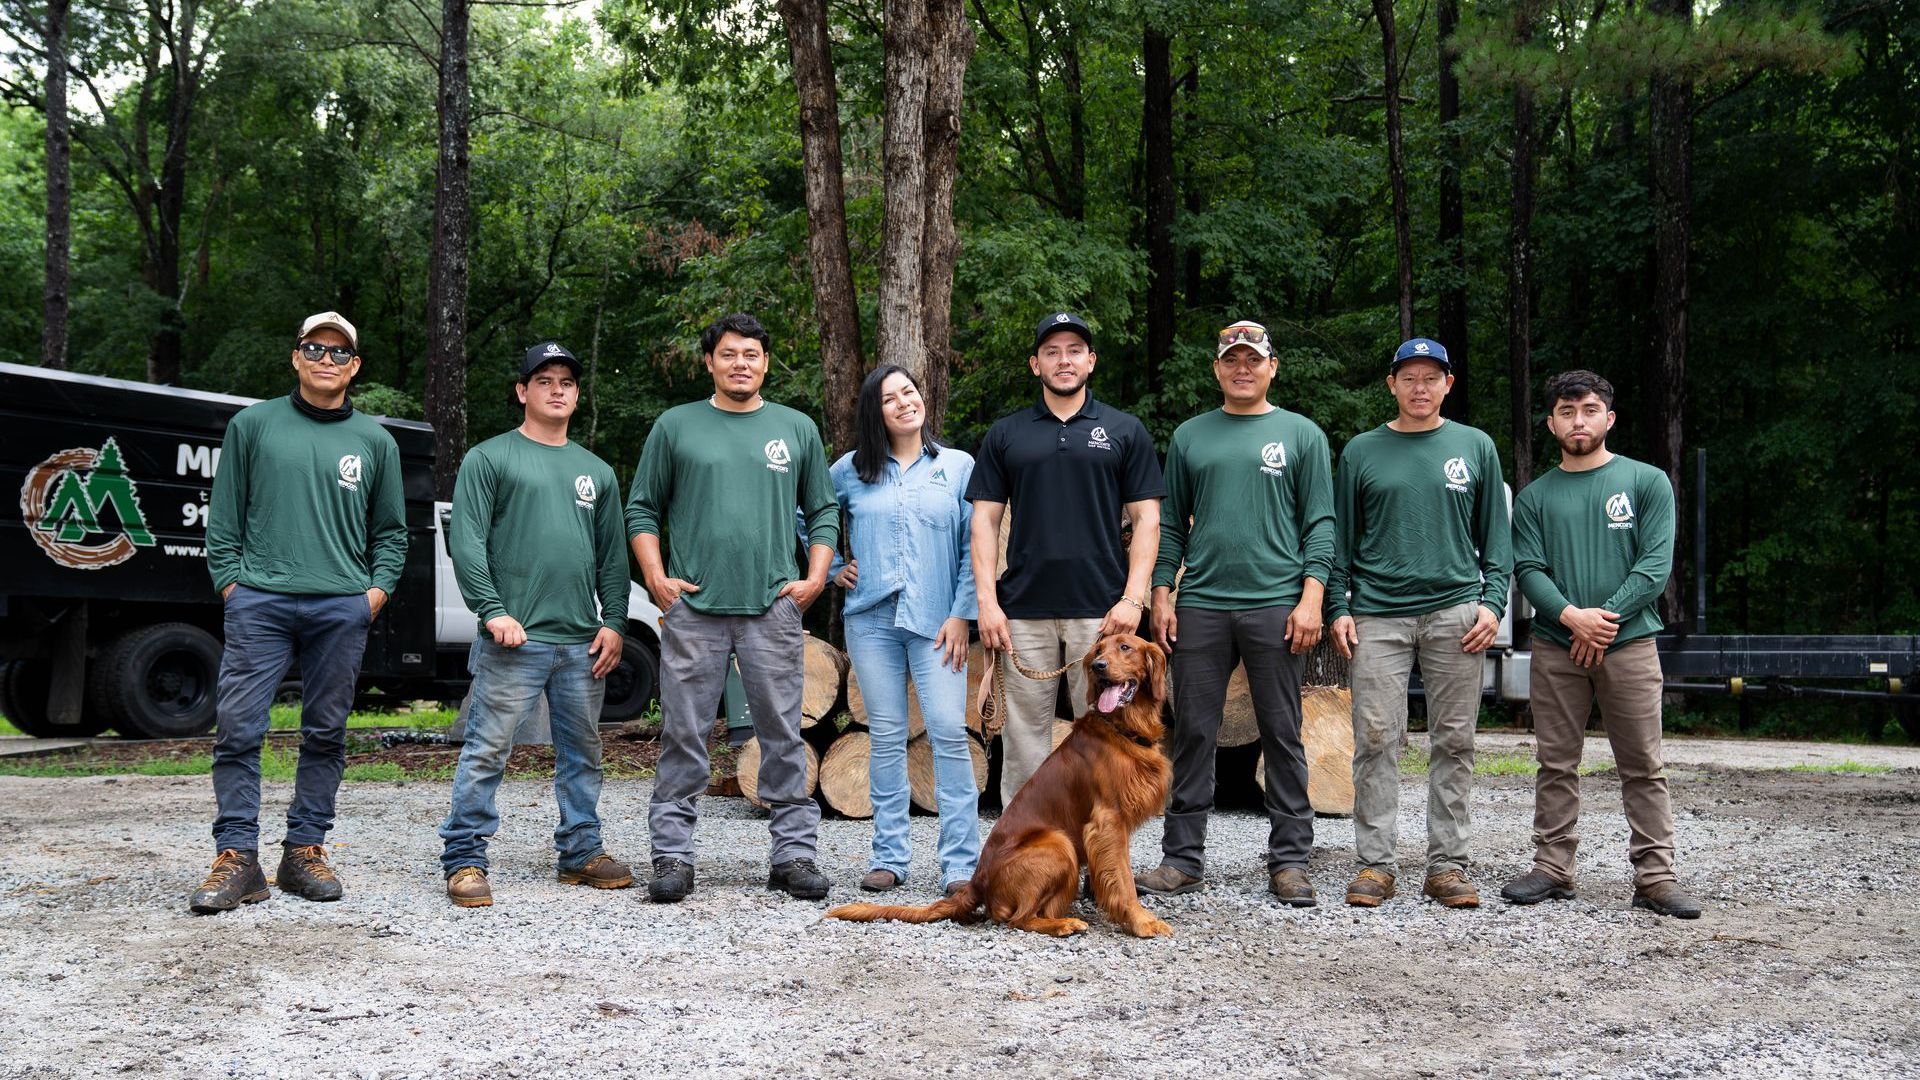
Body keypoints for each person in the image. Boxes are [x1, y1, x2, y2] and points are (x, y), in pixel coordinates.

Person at [191, 311, 406, 913]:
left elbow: (391, 532)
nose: (326, 360)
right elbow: (225, 517)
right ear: (296, 357)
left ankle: (303, 851)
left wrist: (374, 592)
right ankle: (238, 857)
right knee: (238, 727)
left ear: (354, 366)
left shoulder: (375, 441)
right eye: (315, 348)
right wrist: (232, 584)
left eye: (339, 353)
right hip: (259, 601)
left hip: (341, 605)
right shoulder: (253, 425)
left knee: (326, 731)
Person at [626, 313, 838, 902]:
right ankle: (672, 856)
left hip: (772, 606)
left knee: (781, 732)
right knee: (684, 731)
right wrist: (655, 577)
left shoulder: (795, 429)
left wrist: (815, 577)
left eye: (751, 353)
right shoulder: (676, 426)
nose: (740, 362)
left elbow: (822, 510)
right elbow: (641, 508)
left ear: (765, 362)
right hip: (694, 608)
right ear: (710, 362)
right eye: (728, 353)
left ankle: (793, 855)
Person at [1134, 321, 1335, 905]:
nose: (1242, 368)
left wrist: (1313, 595)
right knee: (1193, 730)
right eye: (1231, 360)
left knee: (1282, 730)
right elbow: (1171, 525)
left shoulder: (1301, 435)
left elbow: (1321, 522)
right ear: (1217, 369)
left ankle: (1290, 861)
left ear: (1273, 366)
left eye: (1253, 359)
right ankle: (1182, 859)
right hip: (1201, 603)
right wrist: (1163, 592)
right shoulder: (1193, 436)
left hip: (1276, 602)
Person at [438, 342, 632, 908]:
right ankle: (465, 858)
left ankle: (581, 851)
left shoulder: (595, 472)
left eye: (567, 382)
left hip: (580, 643)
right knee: (487, 750)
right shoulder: (490, 458)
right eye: (543, 380)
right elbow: (467, 540)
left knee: (583, 753)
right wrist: (491, 610)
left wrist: (615, 621)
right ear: (523, 391)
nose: (556, 390)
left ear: (576, 394)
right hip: (512, 640)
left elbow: (612, 557)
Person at [1501, 370, 1700, 918]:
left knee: (1642, 763)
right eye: (1567, 412)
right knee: (1555, 762)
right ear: (1551, 423)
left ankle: (1656, 877)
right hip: (1555, 646)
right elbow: (1529, 569)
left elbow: (1654, 566)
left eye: (1589, 410)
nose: (1578, 420)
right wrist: (1571, 618)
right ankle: (1552, 868)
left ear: (1608, 419)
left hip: (1629, 644)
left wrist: (1602, 622)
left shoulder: (1647, 482)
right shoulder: (1536, 495)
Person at [1328, 337, 1510, 910]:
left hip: (1457, 610)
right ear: (1392, 384)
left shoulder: (1475, 447)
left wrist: (1493, 603)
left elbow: (1496, 539)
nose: (1420, 387)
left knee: (1455, 741)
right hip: (1378, 612)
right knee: (1376, 739)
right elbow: (1341, 541)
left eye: (1432, 377)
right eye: (1409, 377)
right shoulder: (1362, 451)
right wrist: (1339, 605)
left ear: (1448, 384)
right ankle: (1375, 865)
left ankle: (1448, 866)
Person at [967, 311, 1164, 807]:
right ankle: (1023, 863)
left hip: (1101, 614)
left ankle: (1102, 861)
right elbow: (984, 523)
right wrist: (987, 604)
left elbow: (1147, 521)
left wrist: (1132, 601)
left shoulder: (1124, 430)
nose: (1064, 360)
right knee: (1025, 745)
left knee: (1106, 742)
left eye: (1074, 350)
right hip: (1023, 612)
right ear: (1035, 364)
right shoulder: (1007, 434)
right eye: (1052, 352)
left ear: (1091, 361)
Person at [830, 365, 982, 897]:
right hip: (870, 621)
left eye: (909, 392)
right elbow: (808, 518)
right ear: (875, 412)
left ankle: (961, 865)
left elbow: (973, 546)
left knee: (947, 732)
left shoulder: (957, 467)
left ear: (923, 399)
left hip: (938, 622)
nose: (902, 403)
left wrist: (963, 613)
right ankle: (889, 857)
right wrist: (829, 570)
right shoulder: (849, 471)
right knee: (888, 737)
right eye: (889, 398)